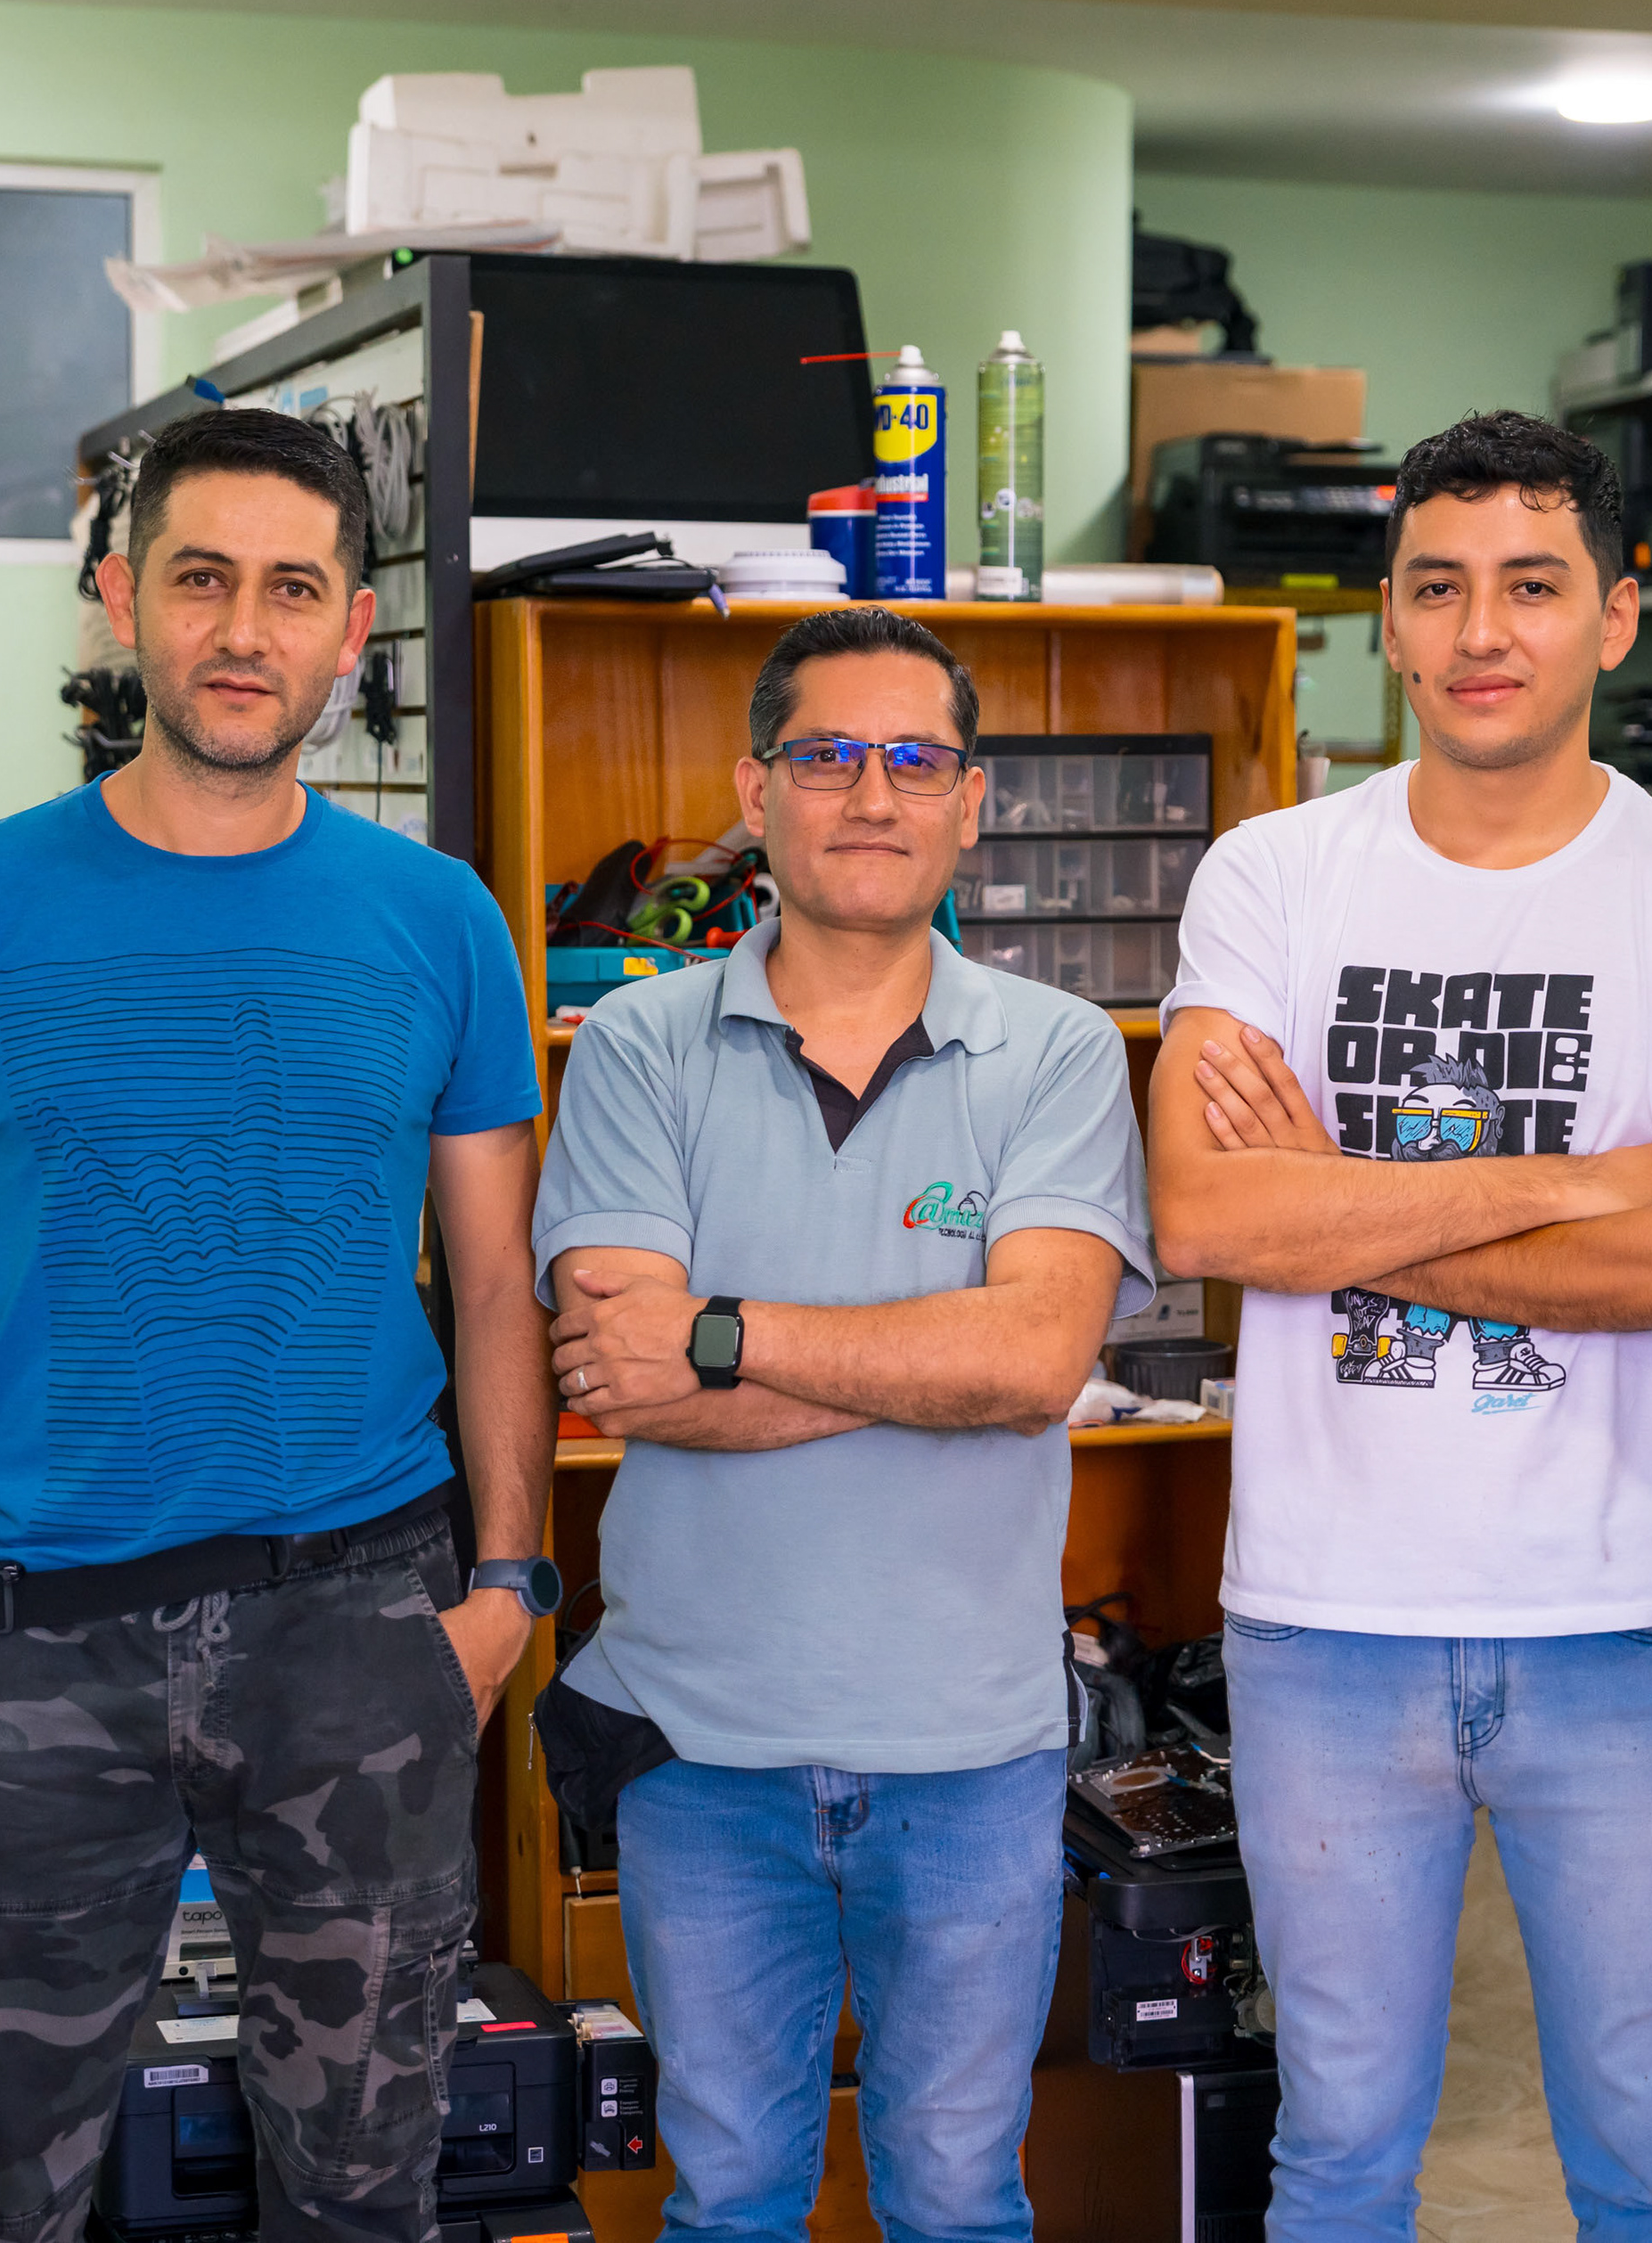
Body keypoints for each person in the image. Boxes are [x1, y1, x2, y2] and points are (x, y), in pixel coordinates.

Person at [0, 405, 553, 2240]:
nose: (242, 628)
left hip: (357, 1626)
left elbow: (495, 1282)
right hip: (33, 1639)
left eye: (292, 589)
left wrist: (506, 1587)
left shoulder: (439, 919)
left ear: (351, 630)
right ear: (121, 596)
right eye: (201, 577)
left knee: (364, 2195)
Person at [1149, 409, 1652, 2241]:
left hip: (1617, 1622)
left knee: (1649, 2168)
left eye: (1531, 585)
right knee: (1335, 2157)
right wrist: (1586, 1179)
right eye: (1437, 587)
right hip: (1323, 1621)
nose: (1480, 631)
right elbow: (1206, 1217)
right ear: (1386, 616)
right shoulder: (1271, 875)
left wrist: (1338, 1201)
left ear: (1616, 614)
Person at [532, 605, 1155, 2242]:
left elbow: (1032, 1365)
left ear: (971, 802)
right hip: (699, 1751)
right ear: (756, 791)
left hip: (972, 1752)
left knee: (954, 2197)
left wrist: (729, 1335)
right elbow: (617, 1374)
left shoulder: (1058, 1051)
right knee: (729, 2198)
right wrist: (932, 1360)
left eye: (914, 760)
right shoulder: (634, 1045)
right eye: (825, 756)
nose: (872, 794)